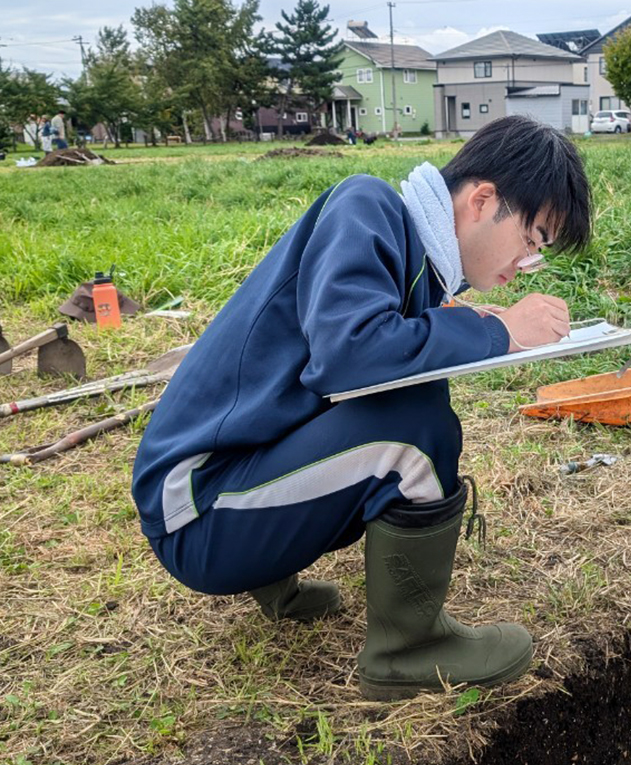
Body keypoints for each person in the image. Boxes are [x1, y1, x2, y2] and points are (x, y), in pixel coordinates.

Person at [131, 116, 591, 700]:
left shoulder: (412, 259)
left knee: (407, 396)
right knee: (417, 425)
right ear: (482, 201)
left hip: (220, 487)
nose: (525, 263)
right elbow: (348, 355)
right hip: (197, 512)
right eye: (532, 239)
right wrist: (497, 334)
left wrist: (469, 323)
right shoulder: (367, 204)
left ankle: (270, 573)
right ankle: (407, 651)